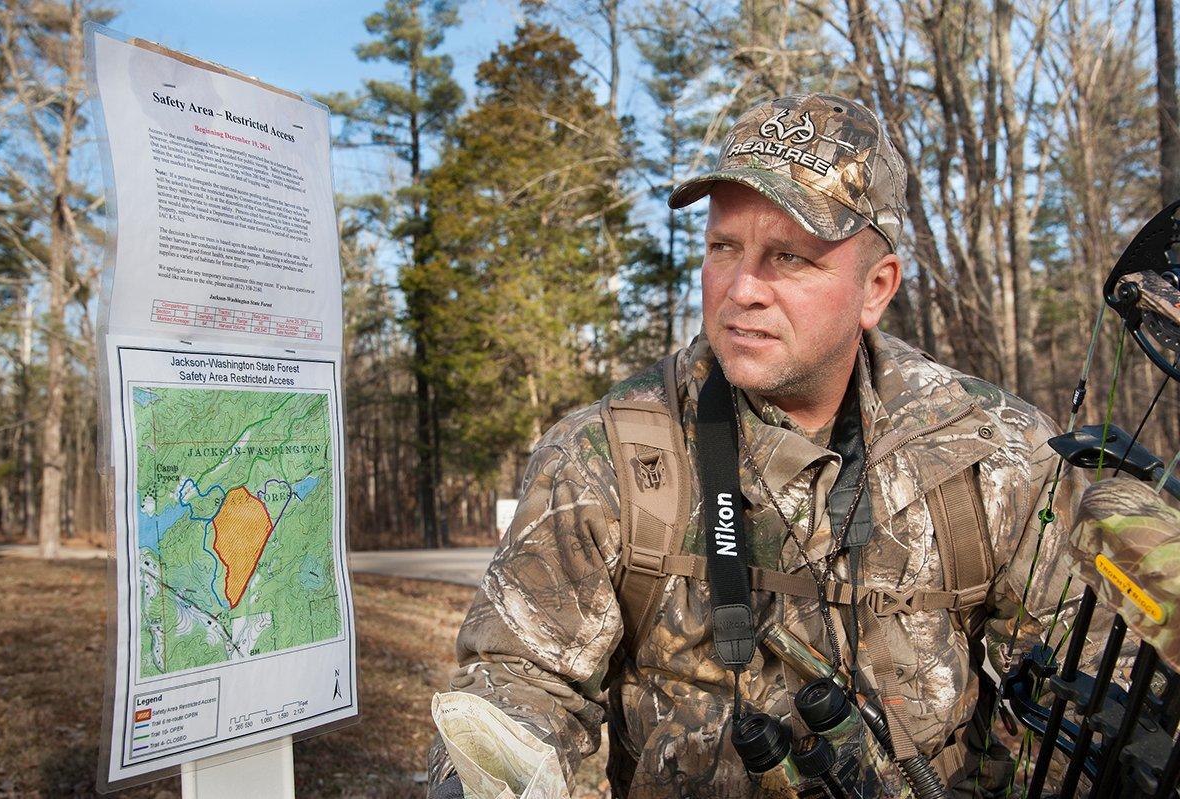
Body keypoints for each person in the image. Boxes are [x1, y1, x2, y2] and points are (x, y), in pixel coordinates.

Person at [425, 93, 1086, 799]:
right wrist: (488, 776)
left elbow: (1081, 691)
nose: (741, 289)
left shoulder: (993, 453)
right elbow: (517, 684)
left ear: (876, 288)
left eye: (788, 258)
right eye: (723, 247)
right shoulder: (608, 456)